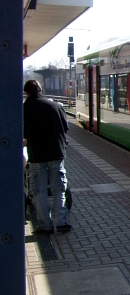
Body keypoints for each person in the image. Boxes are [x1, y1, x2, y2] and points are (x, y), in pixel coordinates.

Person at [23, 80, 72, 233]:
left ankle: (45, 225)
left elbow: (23, 133)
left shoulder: (25, 108)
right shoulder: (56, 106)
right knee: (59, 189)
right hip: (56, 153)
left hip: (36, 155)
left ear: (27, 92)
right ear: (40, 90)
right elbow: (65, 128)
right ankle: (61, 223)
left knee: (39, 191)